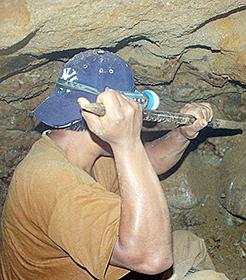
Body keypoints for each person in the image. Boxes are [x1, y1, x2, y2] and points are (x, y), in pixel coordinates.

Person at [0, 49, 229, 280]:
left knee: (189, 246)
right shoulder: (53, 180)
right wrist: (127, 142)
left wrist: (183, 135)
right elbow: (152, 258)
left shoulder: (79, 149)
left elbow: (149, 162)